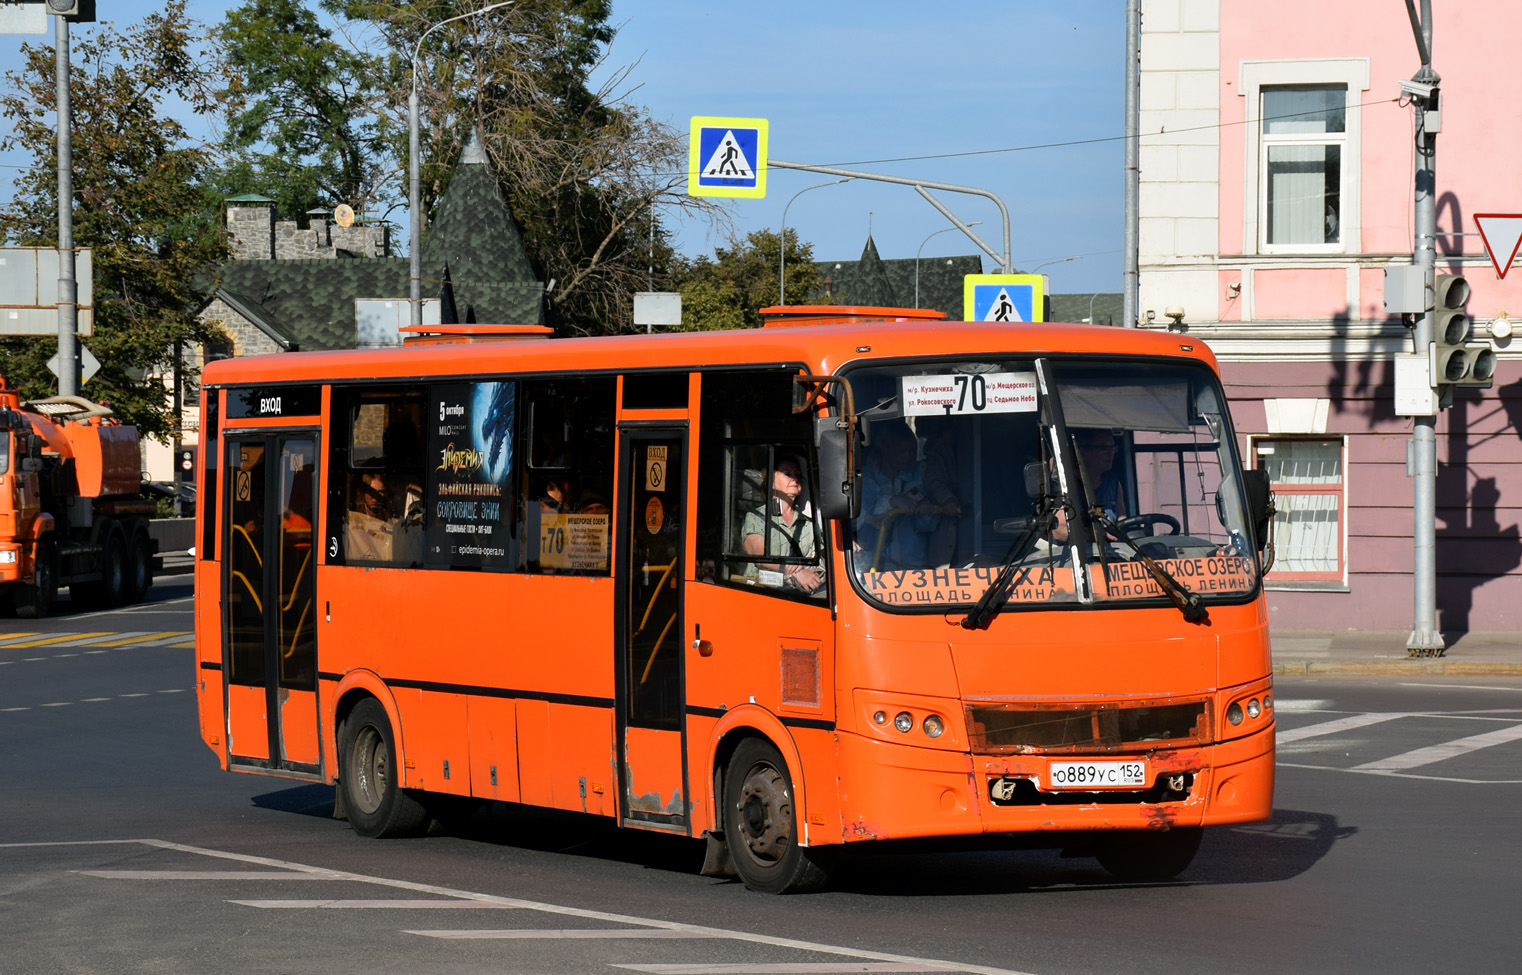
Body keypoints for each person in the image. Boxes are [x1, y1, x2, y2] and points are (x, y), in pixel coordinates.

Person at [856, 419, 941, 571]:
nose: (909, 457)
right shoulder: (865, 478)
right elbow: (858, 520)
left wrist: (926, 510)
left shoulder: (917, 477)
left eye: (912, 451)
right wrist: (891, 502)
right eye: (902, 451)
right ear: (884, 448)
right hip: (873, 566)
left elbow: (929, 526)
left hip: (913, 567)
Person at [742, 456, 822, 592]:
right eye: (787, 474)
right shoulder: (756, 518)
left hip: (801, 597)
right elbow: (760, 556)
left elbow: (822, 557)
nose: (794, 478)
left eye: (797, 474)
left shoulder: (808, 522)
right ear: (771, 482)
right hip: (761, 595)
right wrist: (797, 571)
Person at [1052, 429, 1127, 543]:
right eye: (1103, 448)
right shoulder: (1066, 485)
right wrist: (1093, 533)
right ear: (1083, 451)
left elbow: (1122, 520)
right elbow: (1058, 530)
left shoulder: (1113, 482)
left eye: (1112, 448)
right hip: (1077, 557)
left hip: (1112, 556)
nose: (1110, 452)